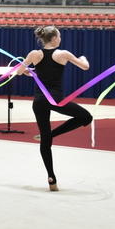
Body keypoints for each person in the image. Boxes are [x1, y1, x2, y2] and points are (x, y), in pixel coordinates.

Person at [14, 26, 92, 192]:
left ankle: (51, 177)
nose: (60, 39)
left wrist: (32, 72)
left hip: (39, 101)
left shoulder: (34, 54)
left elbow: (20, 71)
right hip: (56, 100)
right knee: (86, 117)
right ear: (55, 38)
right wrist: (83, 58)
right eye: (60, 36)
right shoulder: (63, 54)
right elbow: (85, 67)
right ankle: (50, 135)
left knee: (46, 142)